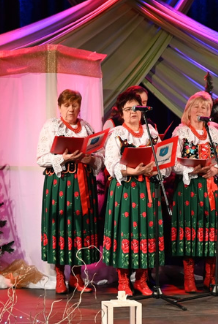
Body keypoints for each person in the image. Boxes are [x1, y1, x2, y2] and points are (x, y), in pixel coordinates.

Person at [102, 90, 170, 295]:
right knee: (126, 231)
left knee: (146, 232)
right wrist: (133, 171)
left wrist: (155, 169)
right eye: (128, 108)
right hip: (125, 190)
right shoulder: (117, 134)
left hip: (147, 189)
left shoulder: (152, 133)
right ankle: (123, 280)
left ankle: (142, 279)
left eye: (136, 108)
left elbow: (164, 162)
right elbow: (111, 163)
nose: (133, 112)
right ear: (121, 112)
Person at [37, 89, 103, 294]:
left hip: (83, 183)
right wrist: (63, 158)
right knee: (60, 227)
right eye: (67, 105)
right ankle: (59, 275)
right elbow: (41, 158)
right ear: (60, 107)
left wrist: (90, 159)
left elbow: (99, 157)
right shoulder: (52, 126)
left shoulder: (87, 128)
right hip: (60, 184)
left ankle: (76, 275)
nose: (71, 109)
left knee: (79, 228)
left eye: (75, 105)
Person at [171, 92, 218, 293]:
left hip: (211, 187)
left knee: (211, 230)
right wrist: (192, 170)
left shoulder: (214, 133)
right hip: (189, 188)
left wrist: (216, 170)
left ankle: (210, 276)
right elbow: (173, 163)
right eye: (196, 106)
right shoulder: (181, 132)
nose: (200, 110)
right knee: (190, 230)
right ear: (189, 110)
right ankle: (189, 277)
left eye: (204, 107)